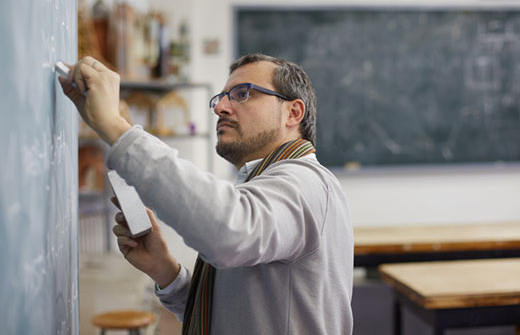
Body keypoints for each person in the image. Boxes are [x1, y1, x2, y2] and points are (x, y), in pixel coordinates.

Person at [59, 54, 354, 334]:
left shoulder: (306, 181)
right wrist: (166, 271)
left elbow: (230, 231)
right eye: (222, 97)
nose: (220, 107)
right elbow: (228, 319)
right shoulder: (264, 185)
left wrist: (115, 126)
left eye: (242, 93)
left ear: (293, 112)